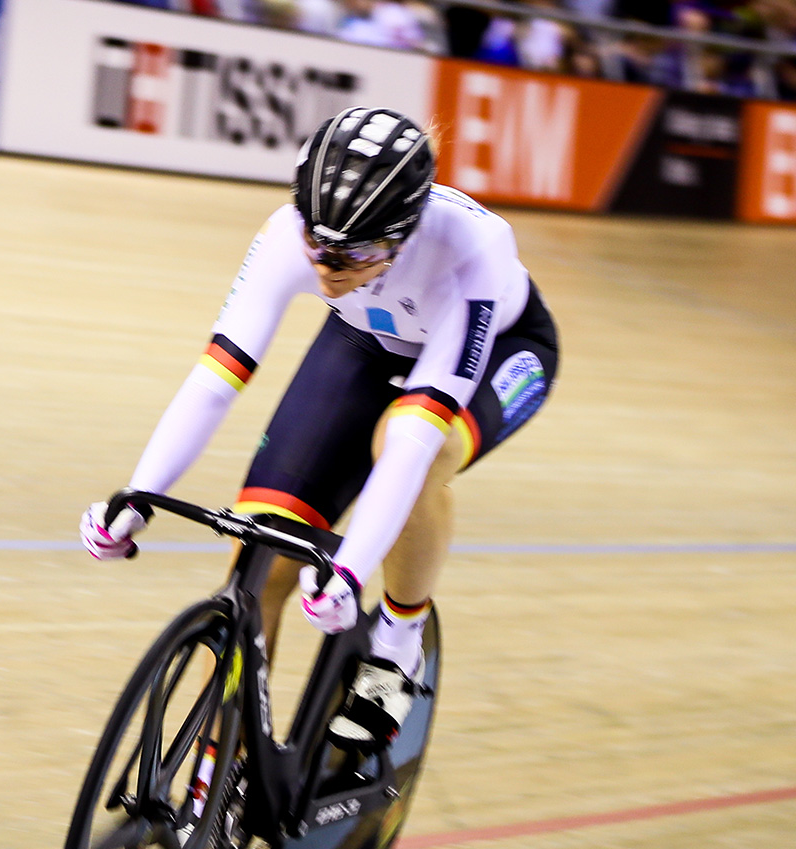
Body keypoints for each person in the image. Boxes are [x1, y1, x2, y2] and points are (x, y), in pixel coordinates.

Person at [80, 108, 558, 748]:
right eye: (318, 246)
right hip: (365, 342)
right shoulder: (288, 233)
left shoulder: (472, 251)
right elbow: (215, 380)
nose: (329, 268)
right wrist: (138, 493)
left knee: (409, 447)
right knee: (259, 562)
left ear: (402, 237)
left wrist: (354, 569)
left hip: (503, 349)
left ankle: (397, 641)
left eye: (354, 253)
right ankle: (214, 783)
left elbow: (413, 443)